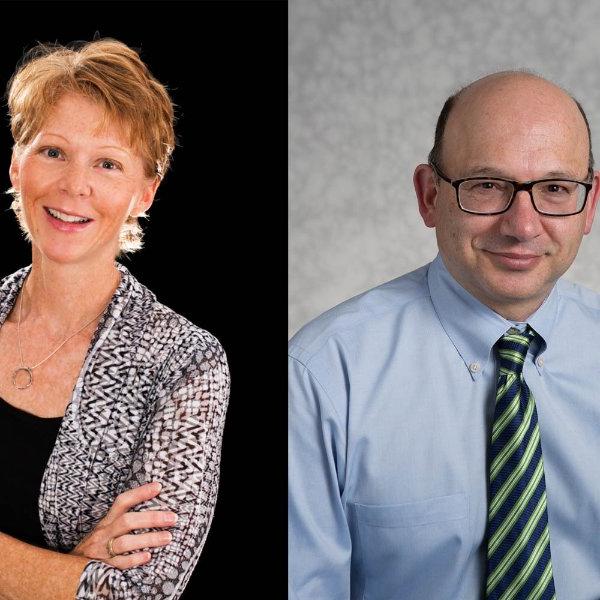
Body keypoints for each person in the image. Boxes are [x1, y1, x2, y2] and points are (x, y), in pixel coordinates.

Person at [288, 71, 600, 599]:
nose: (522, 225)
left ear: (589, 204)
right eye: (487, 186)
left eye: (554, 189)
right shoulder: (322, 376)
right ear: (429, 196)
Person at [0, 39, 229, 600]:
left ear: (144, 194)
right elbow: (99, 589)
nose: (74, 185)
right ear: (17, 164)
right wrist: (71, 570)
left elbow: (142, 591)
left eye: (107, 163)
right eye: (53, 151)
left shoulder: (186, 362)